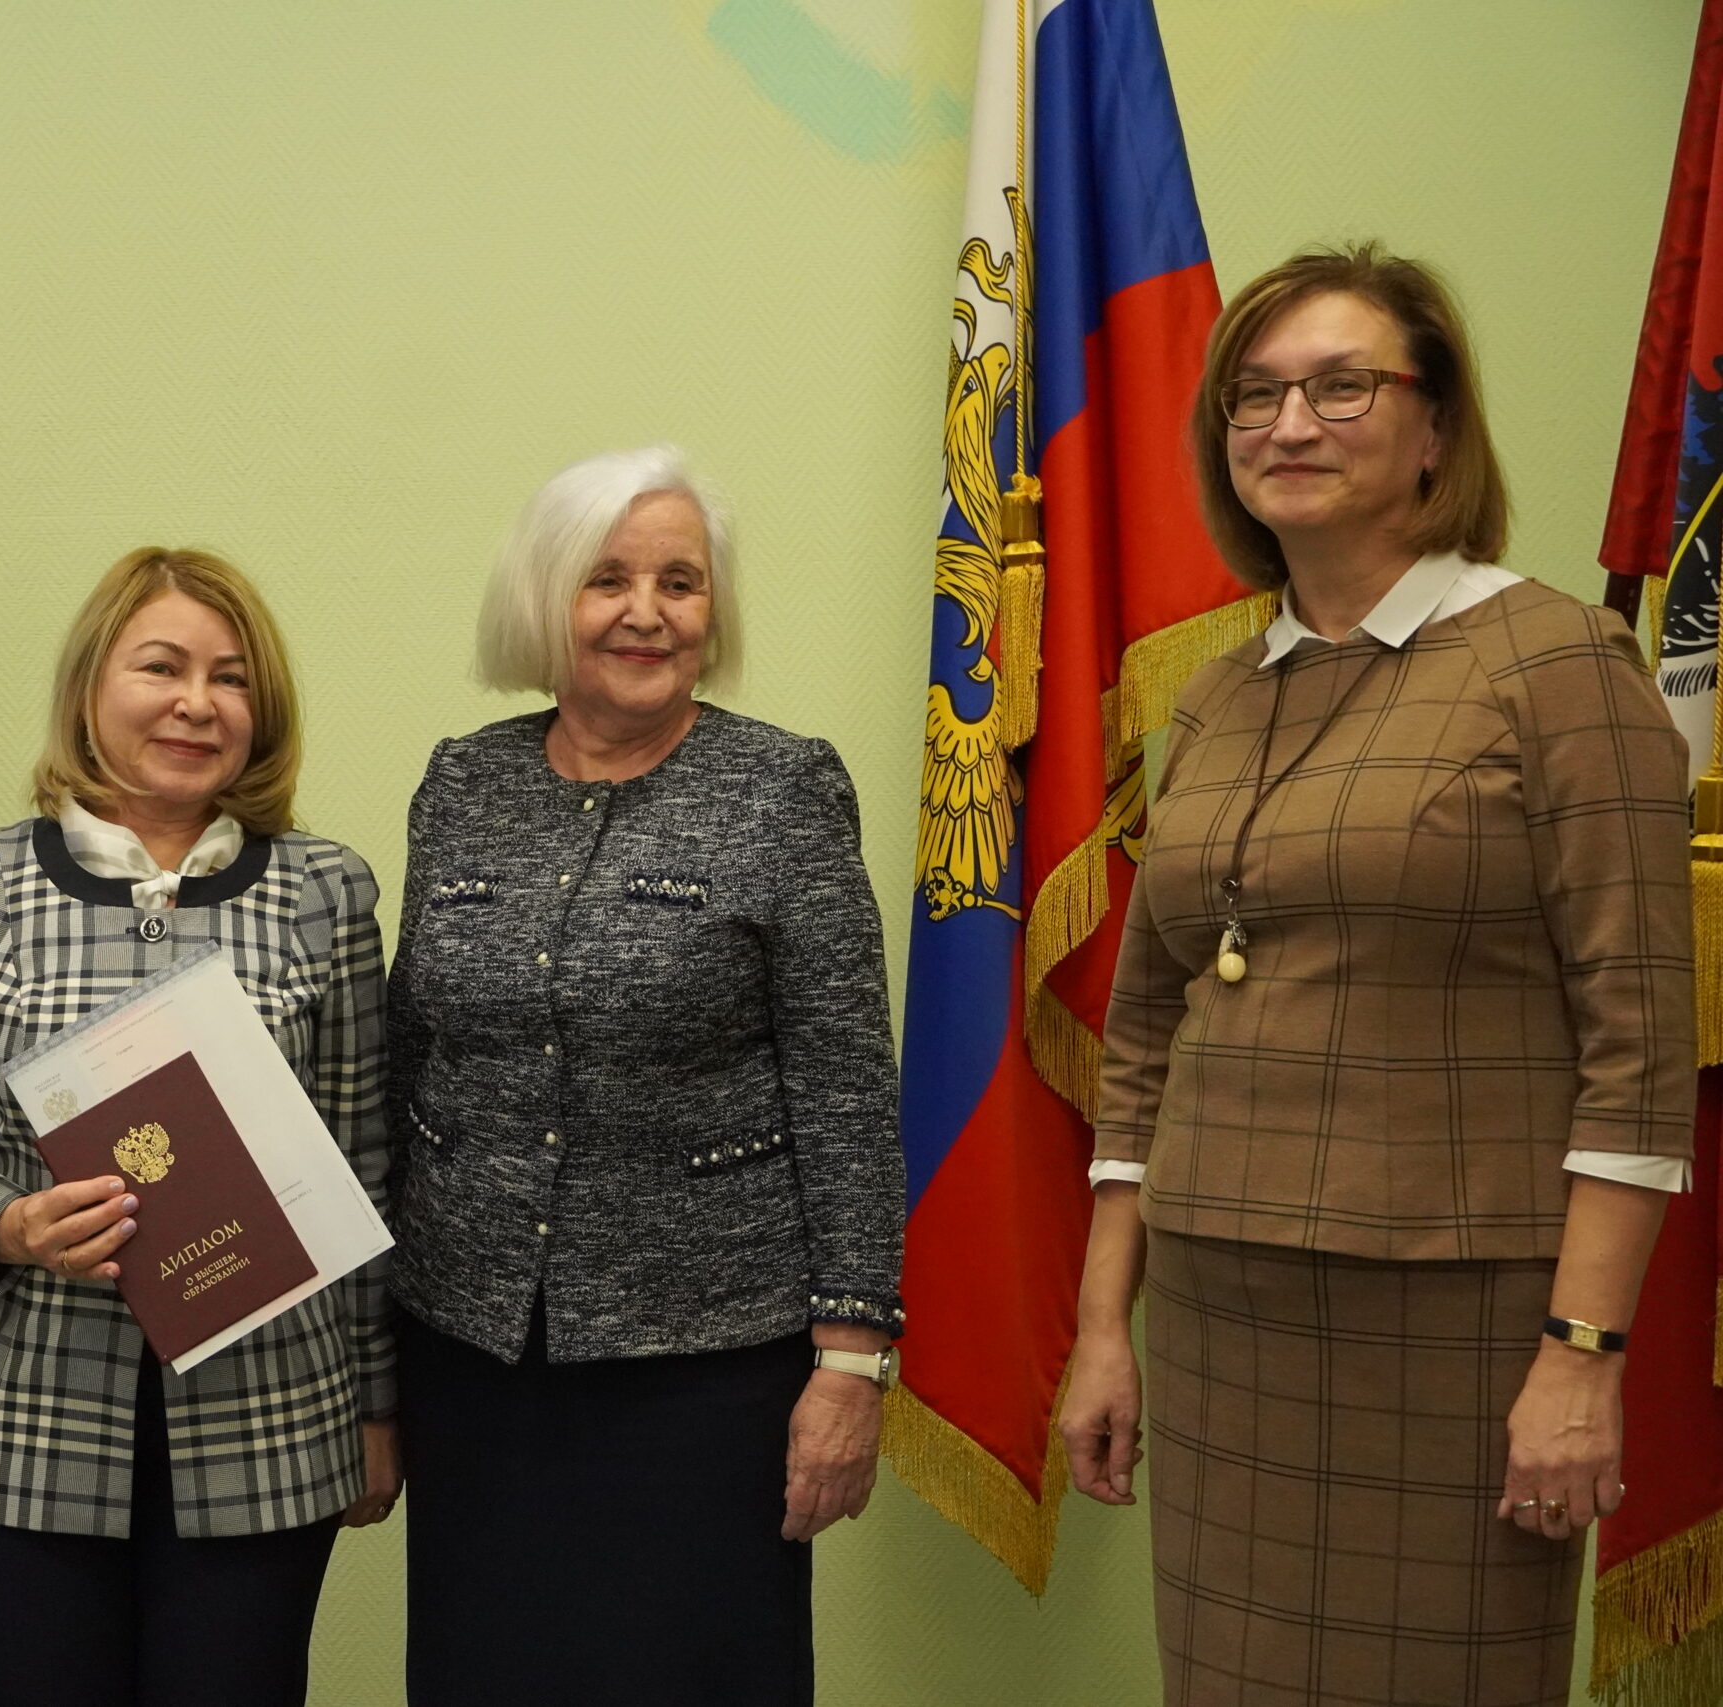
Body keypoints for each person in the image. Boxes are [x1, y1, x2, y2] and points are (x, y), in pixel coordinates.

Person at [1056, 243, 1696, 1707]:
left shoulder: (1559, 663)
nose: (1289, 423)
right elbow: (1143, 1042)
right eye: (1255, 395)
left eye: (1341, 386)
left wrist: (1582, 1354)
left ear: (1435, 428)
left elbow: (1639, 1045)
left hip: (1458, 1333)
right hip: (1218, 1319)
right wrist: (1102, 1328)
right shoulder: (1215, 697)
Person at [384, 445, 906, 1707]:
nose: (647, 612)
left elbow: (845, 1090)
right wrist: (365, 1363)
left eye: (681, 582)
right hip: (469, 1359)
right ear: (543, 599)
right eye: (607, 579)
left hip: (705, 1373)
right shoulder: (462, 780)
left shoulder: (783, 787)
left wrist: (852, 1362)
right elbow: (410, 1065)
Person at [0, 547, 395, 1707]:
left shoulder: (323, 891)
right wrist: (7, 1225)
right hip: (21, 1432)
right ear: (91, 685)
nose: (197, 703)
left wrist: (377, 1407)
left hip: (269, 1430)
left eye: (231, 678)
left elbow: (363, 1163)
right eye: (162, 667)